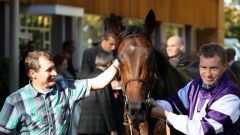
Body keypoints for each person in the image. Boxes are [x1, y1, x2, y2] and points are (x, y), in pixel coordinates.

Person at [0, 51, 119, 134]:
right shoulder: (15, 101)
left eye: (54, 68)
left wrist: (118, 62)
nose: (54, 73)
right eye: (48, 70)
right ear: (33, 73)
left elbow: (100, 82)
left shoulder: (66, 88)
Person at [147, 44, 240, 135]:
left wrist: (165, 115)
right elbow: (174, 104)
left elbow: (203, 130)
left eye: (213, 68)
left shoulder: (230, 95)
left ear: (224, 67)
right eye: (203, 67)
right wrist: (153, 105)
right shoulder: (195, 85)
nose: (208, 74)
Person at [78, 51, 118, 135]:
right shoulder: (103, 80)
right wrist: (112, 129)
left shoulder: (86, 78)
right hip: (99, 128)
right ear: (109, 64)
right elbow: (106, 105)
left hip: (83, 127)